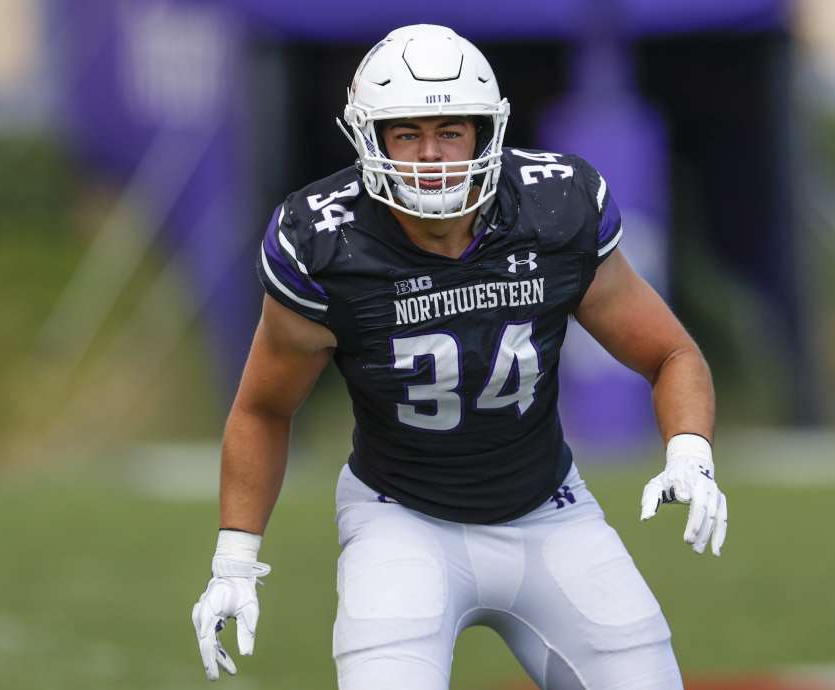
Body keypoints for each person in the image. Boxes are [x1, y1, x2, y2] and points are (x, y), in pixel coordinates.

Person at [191, 24, 727, 690]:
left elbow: (671, 352)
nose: (432, 156)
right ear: (370, 139)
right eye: (407, 134)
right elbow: (264, 409)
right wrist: (235, 562)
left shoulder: (553, 207)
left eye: (450, 131)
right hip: (401, 520)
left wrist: (689, 454)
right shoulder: (327, 241)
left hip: (551, 512)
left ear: (484, 132)